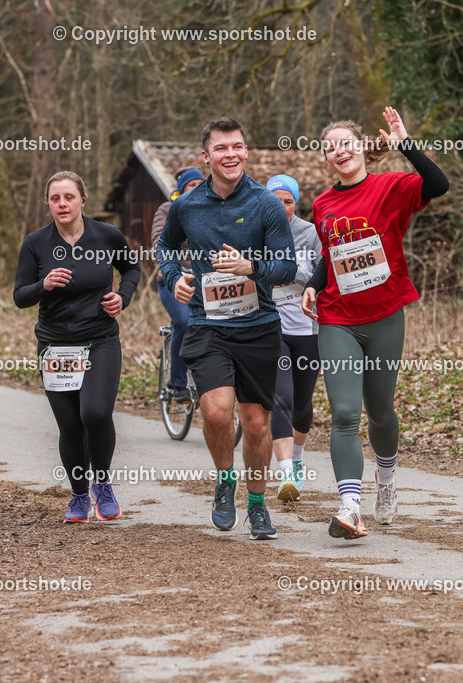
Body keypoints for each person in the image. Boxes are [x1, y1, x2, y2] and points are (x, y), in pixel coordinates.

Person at [302, 107, 449, 539]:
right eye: (331, 148)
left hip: (385, 315)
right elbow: (331, 256)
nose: (339, 152)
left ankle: (386, 483)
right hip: (338, 319)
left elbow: (439, 185)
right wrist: (313, 284)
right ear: (327, 159)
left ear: (364, 147)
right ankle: (350, 508)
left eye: (346, 143)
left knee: (380, 412)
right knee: (346, 413)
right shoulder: (324, 203)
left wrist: (405, 141)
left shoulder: (393, 187)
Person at [157, 118, 297, 540]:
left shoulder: (267, 205)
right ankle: (224, 481)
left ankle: (256, 503)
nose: (231, 154)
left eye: (237, 146)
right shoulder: (187, 205)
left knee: (256, 423)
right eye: (221, 148)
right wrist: (172, 277)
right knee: (216, 409)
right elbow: (164, 246)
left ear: (246, 151)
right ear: (206, 157)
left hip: (258, 325)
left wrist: (250, 266)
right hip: (206, 322)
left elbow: (287, 268)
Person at [14, 171, 142, 523]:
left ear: (82, 200)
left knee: (95, 414)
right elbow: (19, 296)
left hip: (99, 339)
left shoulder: (106, 235)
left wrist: (123, 297)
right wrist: (44, 284)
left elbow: (132, 270)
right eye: (55, 199)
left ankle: (102, 483)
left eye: (69, 197)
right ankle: (79, 496)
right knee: (70, 425)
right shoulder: (35, 243)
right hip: (55, 346)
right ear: (48, 204)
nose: (62, 204)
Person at [265, 174, 322, 502]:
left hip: (307, 328)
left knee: (301, 405)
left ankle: (297, 458)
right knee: (280, 399)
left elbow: (322, 274)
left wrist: (289, 272)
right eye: (276, 201)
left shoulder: (311, 233)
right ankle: (286, 473)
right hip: (273, 327)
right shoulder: (257, 232)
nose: (282, 207)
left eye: (288, 201)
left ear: (296, 203)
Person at [151, 167, 204, 400]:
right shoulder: (167, 209)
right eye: (191, 186)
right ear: (181, 189)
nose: (197, 189)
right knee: (183, 321)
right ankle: (178, 384)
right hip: (173, 279)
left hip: (206, 280)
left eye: (201, 184)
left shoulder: (212, 208)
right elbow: (159, 242)